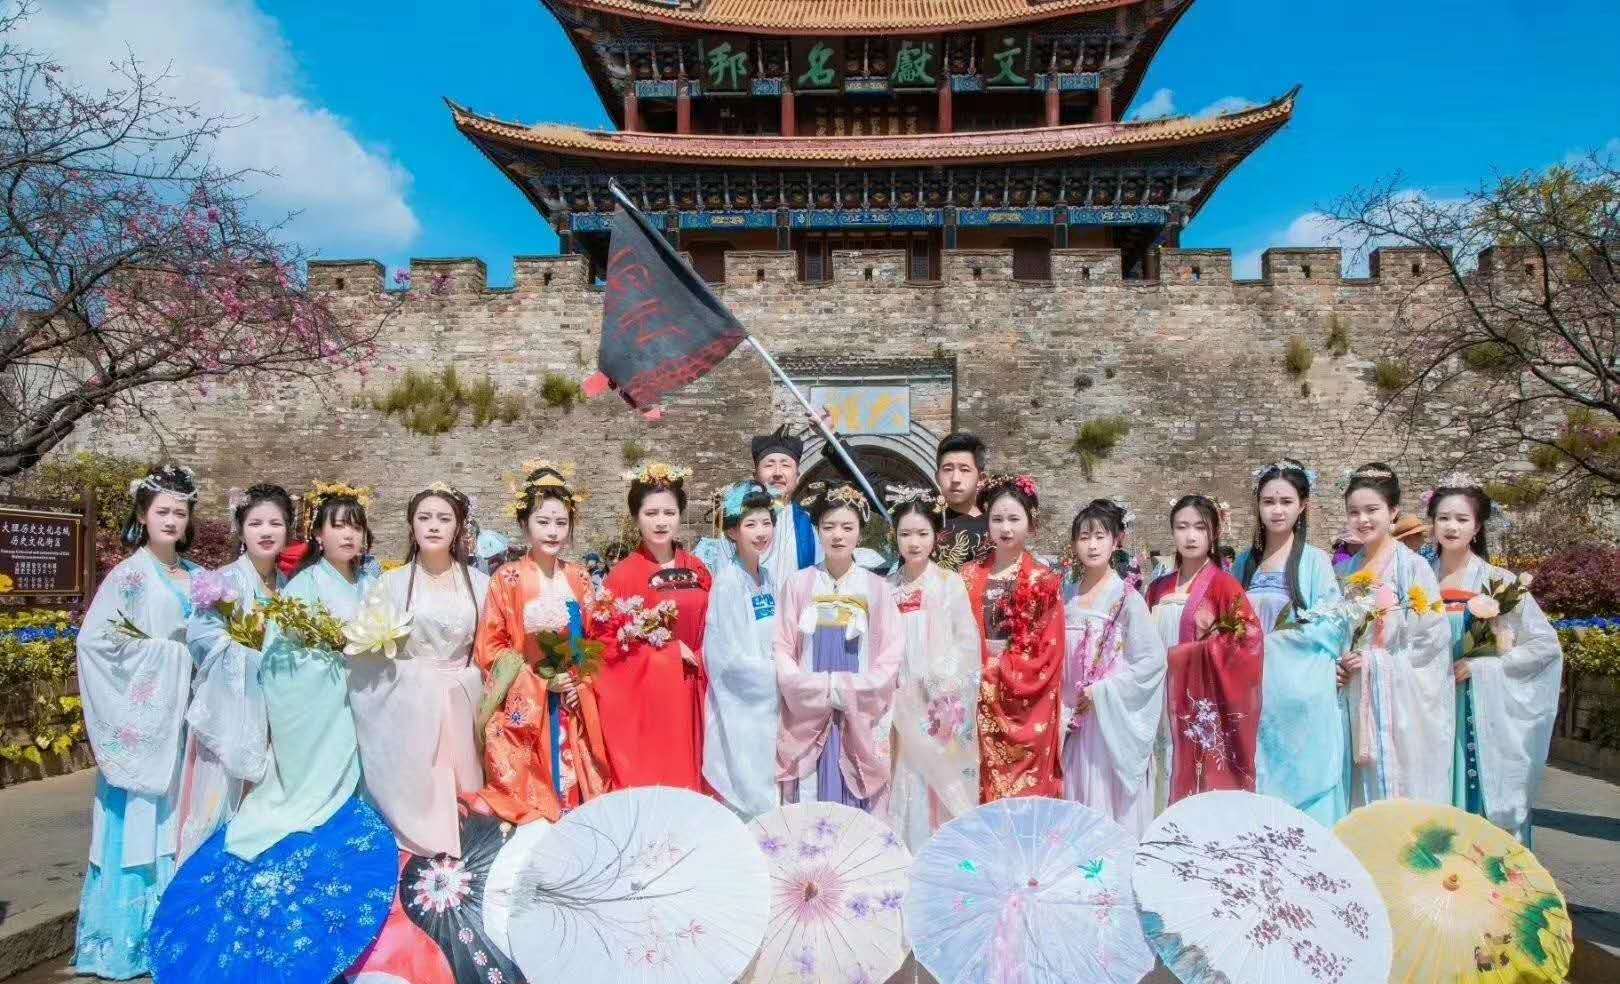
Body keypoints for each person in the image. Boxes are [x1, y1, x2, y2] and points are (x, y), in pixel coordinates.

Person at [149, 482, 396, 983]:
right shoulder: (302, 587)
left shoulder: (371, 585)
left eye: (355, 526)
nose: (347, 536)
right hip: (313, 722)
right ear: (317, 535)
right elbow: (284, 666)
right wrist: (337, 668)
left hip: (367, 716)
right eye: (336, 526)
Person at [74, 464, 202, 979]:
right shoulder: (129, 576)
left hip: (186, 722)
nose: (171, 520)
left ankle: (174, 937)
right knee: (140, 821)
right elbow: (95, 644)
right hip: (146, 721)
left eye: (180, 512)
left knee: (181, 821)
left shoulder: (199, 577)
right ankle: (124, 942)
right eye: (162, 511)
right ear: (143, 516)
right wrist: (171, 657)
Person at [349, 482, 489, 857]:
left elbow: (490, 645)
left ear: (458, 527)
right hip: (412, 697)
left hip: (464, 693)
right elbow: (369, 651)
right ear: (412, 525)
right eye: (424, 517)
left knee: (465, 789)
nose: (434, 526)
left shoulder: (480, 584)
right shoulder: (390, 583)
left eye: (444, 518)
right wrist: (412, 676)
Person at [474, 462, 610, 821]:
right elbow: (491, 648)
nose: (553, 531)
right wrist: (540, 681)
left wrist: (580, 682)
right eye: (543, 521)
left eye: (561, 523)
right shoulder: (508, 578)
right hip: (530, 705)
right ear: (525, 524)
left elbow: (596, 639)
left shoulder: (580, 577)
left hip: (575, 703)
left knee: (581, 800)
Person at [1429, 478, 1563, 841]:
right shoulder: (1417, 577)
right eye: (1443, 518)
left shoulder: (1498, 582)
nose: (1451, 527)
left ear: (1477, 527)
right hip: (1427, 704)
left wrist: (1483, 667)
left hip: (1477, 708)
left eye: (1462, 519)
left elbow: (1544, 647)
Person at [176, 483, 292, 862]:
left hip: (276, 716)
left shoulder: (289, 587)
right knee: (217, 811)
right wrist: (252, 656)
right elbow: (202, 640)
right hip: (231, 714)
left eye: (275, 523)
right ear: (240, 529)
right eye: (255, 523)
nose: (266, 531)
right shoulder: (223, 581)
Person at [1233, 460, 1352, 826]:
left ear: (1303, 506)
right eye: (1268, 501)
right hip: (1256, 695)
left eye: (1286, 501)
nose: (1277, 510)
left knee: (1305, 793)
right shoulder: (1244, 564)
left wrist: (1274, 645)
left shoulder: (1315, 561)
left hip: (1300, 696)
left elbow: (1333, 624)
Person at [775, 482, 903, 812]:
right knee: (812, 789)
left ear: (860, 532)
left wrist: (850, 689)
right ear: (818, 530)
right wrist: (810, 686)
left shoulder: (877, 588)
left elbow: (890, 654)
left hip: (859, 705)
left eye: (848, 527)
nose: (838, 535)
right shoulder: (798, 584)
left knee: (855, 786)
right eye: (829, 526)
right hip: (809, 704)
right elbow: (783, 647)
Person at [1337, 462, 1454, 806]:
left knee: (1400, 790)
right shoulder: (1345, 571)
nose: (1362, 519)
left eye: (1372, 510)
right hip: (1353, 695)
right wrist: (1338, 664)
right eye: (1354, 512)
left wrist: (1376, 662)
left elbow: (1432, 640)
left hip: (1399, 702)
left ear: (1393, 512)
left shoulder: (1412, 567)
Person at [595, 462, 712, 790]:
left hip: (701, 689)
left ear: (680, 515)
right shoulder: (621, 577)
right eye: (651, 513)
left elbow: (717, 624)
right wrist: (669, 652)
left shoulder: (699, 570)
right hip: (652, 699)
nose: (661, 522)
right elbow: (604, 646)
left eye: (669, 513)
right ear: (636, 518)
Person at [1146, 495, 1264, 803]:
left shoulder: (1224, 585)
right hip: (1157, 697)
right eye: (1182, 527)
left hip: (1197, 701)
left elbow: (1249, 640)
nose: (1190, 536)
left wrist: (1190, 656)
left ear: (1214, 532)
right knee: (1160, 769)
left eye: (1200, 527)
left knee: (1195, 772)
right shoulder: (1157, 588)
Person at [1061, 500, 1166, 836]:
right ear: (1074, 543)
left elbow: (1152, 662)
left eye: (1100, 536)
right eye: (1084, 537)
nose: (1092, 545)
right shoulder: (1067, 596)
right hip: (1072, 715)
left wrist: (1103, 692)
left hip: (1108, 720)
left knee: (1105, 796)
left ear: (1115, 540)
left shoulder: (1126, 598)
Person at [884, 485, 981, 849]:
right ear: (894, 536)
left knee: (941, 779)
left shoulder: (948, 583)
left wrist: (938, 684)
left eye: (922, 533)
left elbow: (967, 643)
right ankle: (907, 851)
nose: (914, 543)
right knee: (905, 775)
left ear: (935, 536)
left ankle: (943, 852)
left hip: (939, 700)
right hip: (899, 702)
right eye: (905, 534)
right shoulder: (886, 587)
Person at [962, 473, 1065, 801]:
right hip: (975, 694)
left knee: (1026, 797)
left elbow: (1050, 649)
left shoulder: (1043, 580)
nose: (1005, 528)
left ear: (1030, 523)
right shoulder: (967, 576)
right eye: (997, 519)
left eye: (1014, 519)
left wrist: (997, 669)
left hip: (1023, 698)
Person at [701, 480, 783, 818]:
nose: (761, 532)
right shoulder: (728, 582)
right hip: (745, 704)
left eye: (766, 523)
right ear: (733, 531)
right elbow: (725, 658)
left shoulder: (769, 577)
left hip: (772, 700)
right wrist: (774, 675)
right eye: (750, 524)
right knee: (748, 784)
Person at [750, 425, 824, 597]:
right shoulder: (738, 521)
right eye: (769, 465)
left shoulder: (812, 524)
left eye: (785, 465)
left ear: (797, 477)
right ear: (755, 476)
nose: (777, 473)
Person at [934, 432, 990, 570]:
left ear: (981, 478)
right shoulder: (926, 523)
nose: (955, 479)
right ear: (937, 477)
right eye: (948, 469)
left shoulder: (996, 526)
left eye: (964, 470)